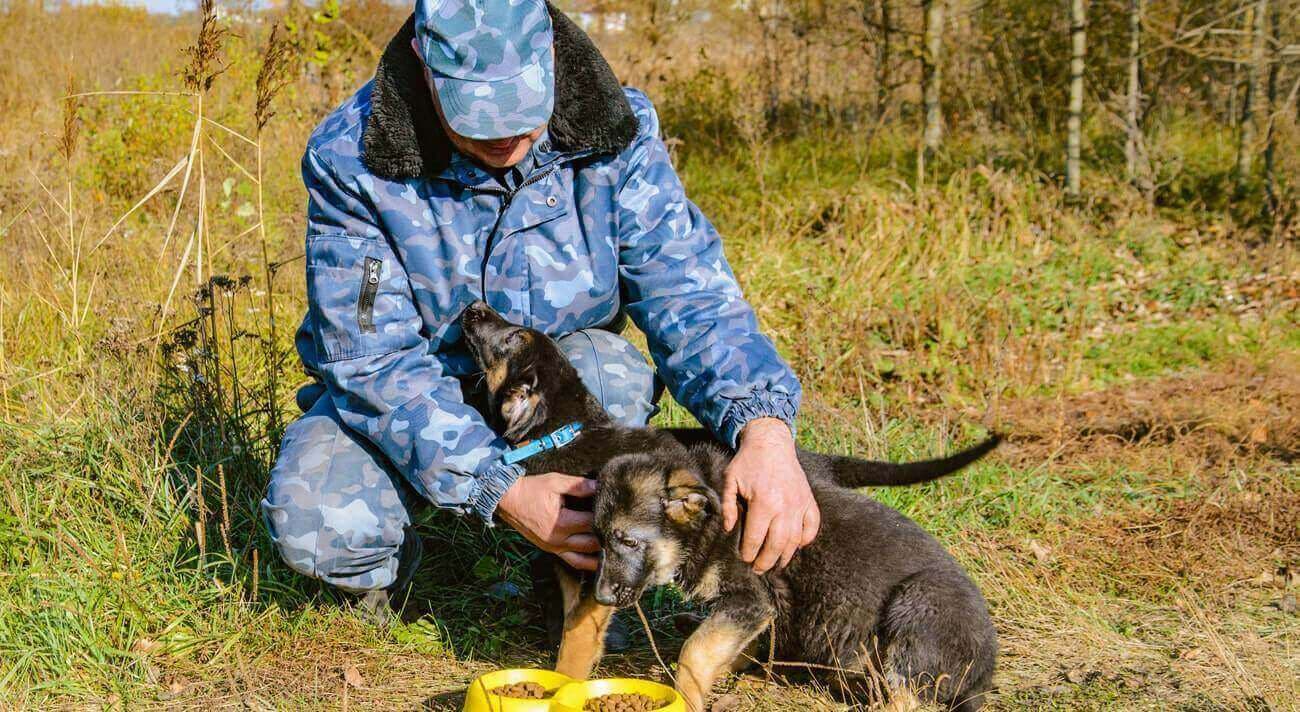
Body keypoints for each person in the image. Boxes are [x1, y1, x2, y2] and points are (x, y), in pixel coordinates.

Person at [261, 0, 819, 627]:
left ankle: (562, 575)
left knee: (613, 376)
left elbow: (691, 299)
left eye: (522, 111)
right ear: (423, 63)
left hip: (554, 381)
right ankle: (399, 589)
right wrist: (499, 487)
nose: (504, 136)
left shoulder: (618, 133)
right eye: (475, 115)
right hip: (416, 391)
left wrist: (764, 430)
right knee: (321, 522)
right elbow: (371, 361)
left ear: (551, 53)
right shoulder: (353, 159)